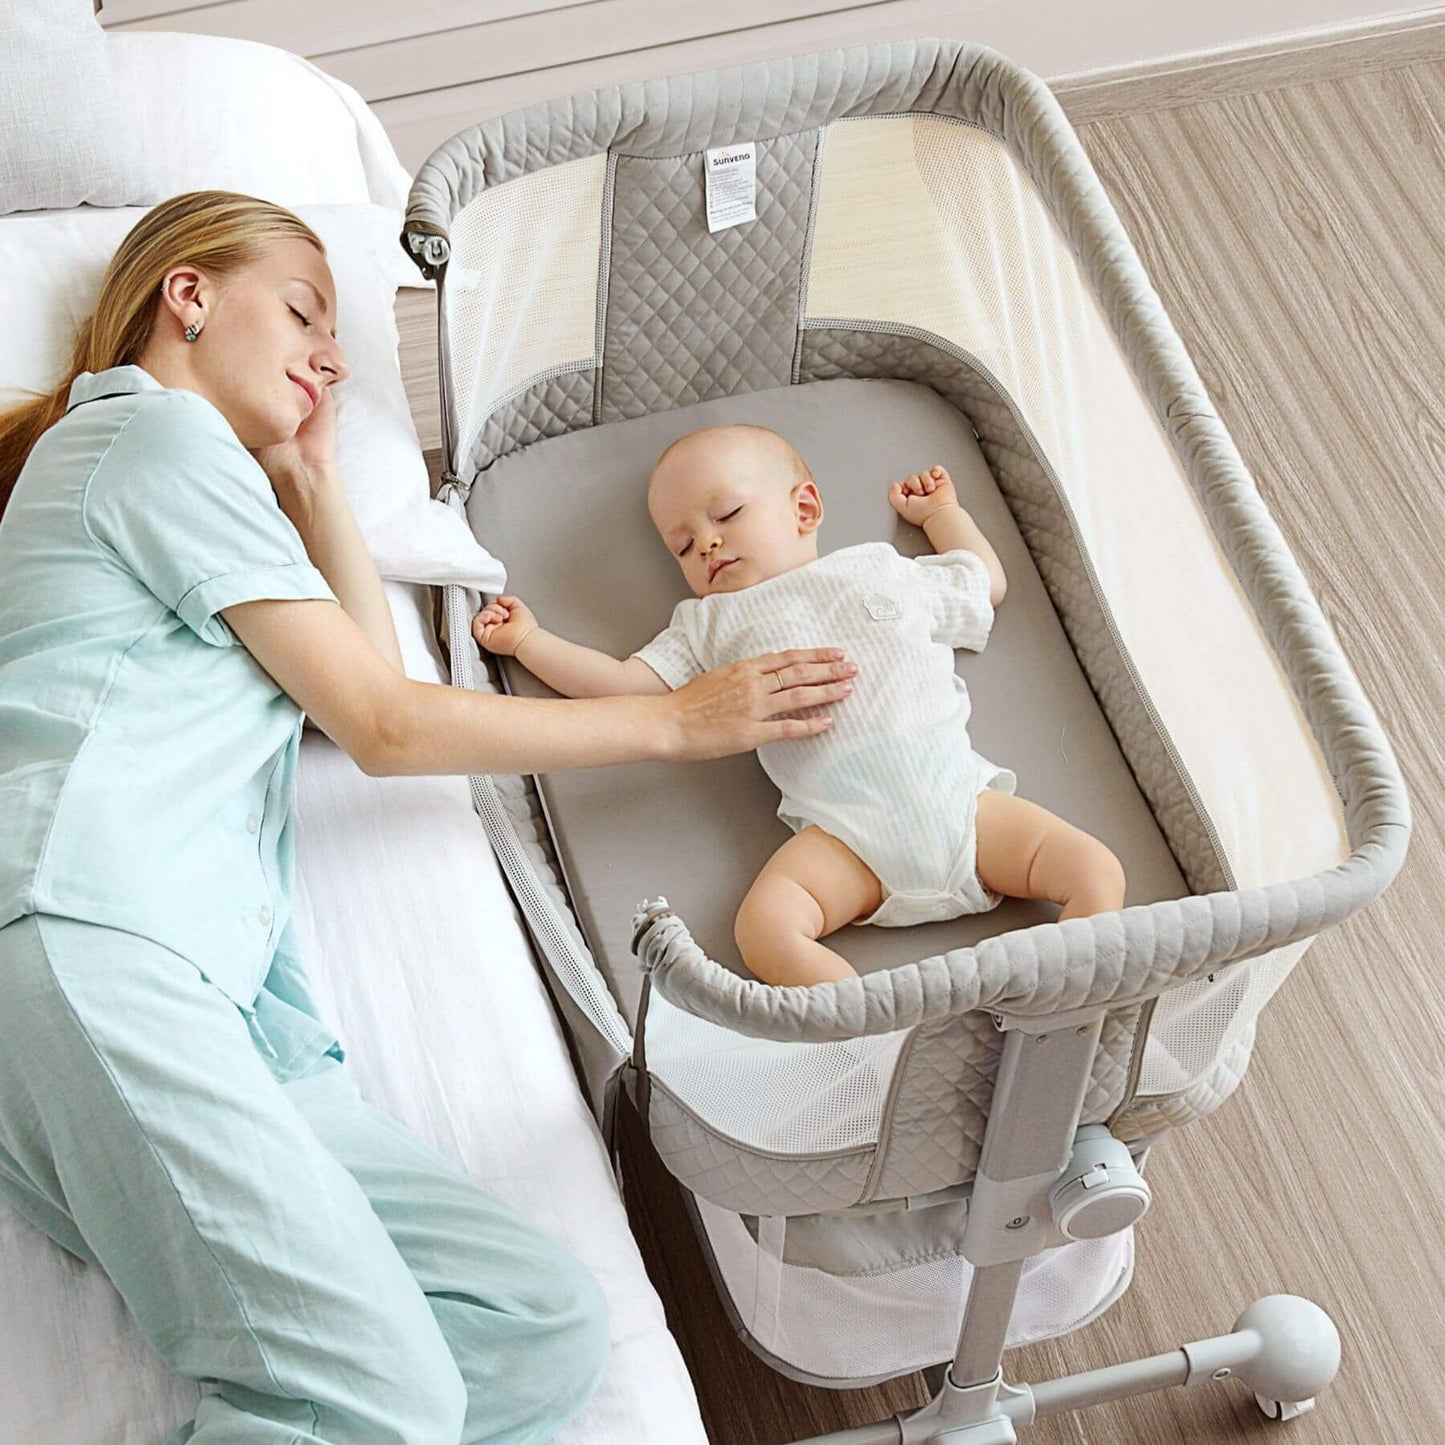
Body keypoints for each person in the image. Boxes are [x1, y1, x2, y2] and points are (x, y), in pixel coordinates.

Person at [0, 192, 857, 1444]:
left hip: (218, 1008)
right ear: (188, 296)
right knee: (379, 1389)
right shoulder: (149, 442)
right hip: (96, 937)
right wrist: (679, 721)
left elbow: (358, 687)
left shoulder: (205, 495)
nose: (331, 354)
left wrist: (311, 480)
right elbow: (386, 726)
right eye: (302, 310)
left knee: (538, 1321)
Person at [474, 424, 1127, 988]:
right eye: (681, 544)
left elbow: (982, 583)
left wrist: (940, 517)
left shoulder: (880, 568)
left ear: (805, 508)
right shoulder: (709, 624)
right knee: (762, 928)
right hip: (845, 840)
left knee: (1094, 870)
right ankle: (871, 1026)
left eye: (725, 514)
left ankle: (1065, 995)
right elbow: (625, 686)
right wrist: (530, 642)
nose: (704, 543)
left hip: (962, 805)